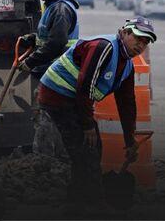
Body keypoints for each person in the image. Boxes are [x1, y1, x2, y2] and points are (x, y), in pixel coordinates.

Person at [36, 17, 157, 213]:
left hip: (74, 101)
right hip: (57, 96)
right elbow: (85, 85)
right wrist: (87, 125)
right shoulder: (105, 47)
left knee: (92, 148)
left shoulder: (127, 66)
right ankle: (94, 203)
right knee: (85, 150)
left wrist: (129, 139)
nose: (141, 45)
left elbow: (127, 104)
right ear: (124, 33)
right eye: (138, 38)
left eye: (145, 42)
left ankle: (76, 201)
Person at [18, 0, 80, 157]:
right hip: (51, 75)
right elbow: (49, 37)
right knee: (53, 120)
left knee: (45, 119)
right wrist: (33, 39)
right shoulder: (53, 7)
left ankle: (44, 163)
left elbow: (56, 43)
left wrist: (30, 62)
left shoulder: (61, 9)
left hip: (57, 77)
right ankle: (58, 159)